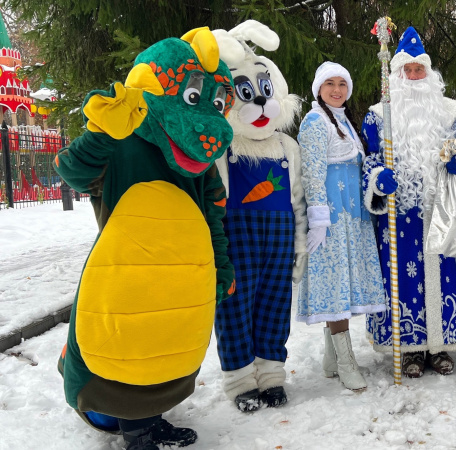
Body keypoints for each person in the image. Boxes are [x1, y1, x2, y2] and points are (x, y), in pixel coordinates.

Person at [54, 29, 235, 450]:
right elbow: (73, 170)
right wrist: (103, 132)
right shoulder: (123, 139)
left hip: (181, 279)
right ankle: (136, 432)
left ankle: (151, 422)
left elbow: (213, 217)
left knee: (165, 346)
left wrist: (221, 268)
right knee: (128, 349)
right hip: (127, 276)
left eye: (217, 103)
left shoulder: (200, 165)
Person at [362, 27, 456, 378]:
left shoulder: (451, 112)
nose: (413, 76)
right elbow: (367, 161)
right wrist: (378, 180)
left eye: (419, 70)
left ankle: (440, 346)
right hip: (399, 215)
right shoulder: (379, 116)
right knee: (403, 281)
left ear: (429, 74)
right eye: (407, 70)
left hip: (440, 209)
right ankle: (410, 350)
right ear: (396, 75)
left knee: (443, 275)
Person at [211, 21, 306, 412]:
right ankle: (239, 381)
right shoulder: (224, 146)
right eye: (247, 94)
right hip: (238, 238)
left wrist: (300, 246)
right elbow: (212, 200)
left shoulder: (287, 145)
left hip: (280, 239)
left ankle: (270, 376)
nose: (261, 103)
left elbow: (297, 198)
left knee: (274, 304)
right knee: (235, 307)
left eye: (265, 92)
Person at [296, 62, 388, 391]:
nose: (337, 90)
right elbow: (311, 172)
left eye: (342, 84)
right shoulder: (314, 121)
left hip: (354, 218)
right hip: (332, 220)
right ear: (318, 89)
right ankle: (347, 362)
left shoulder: (345, 121)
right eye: (330, 84)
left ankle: (331, 358)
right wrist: (319, 219)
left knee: (345, 288)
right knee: (336, 289)